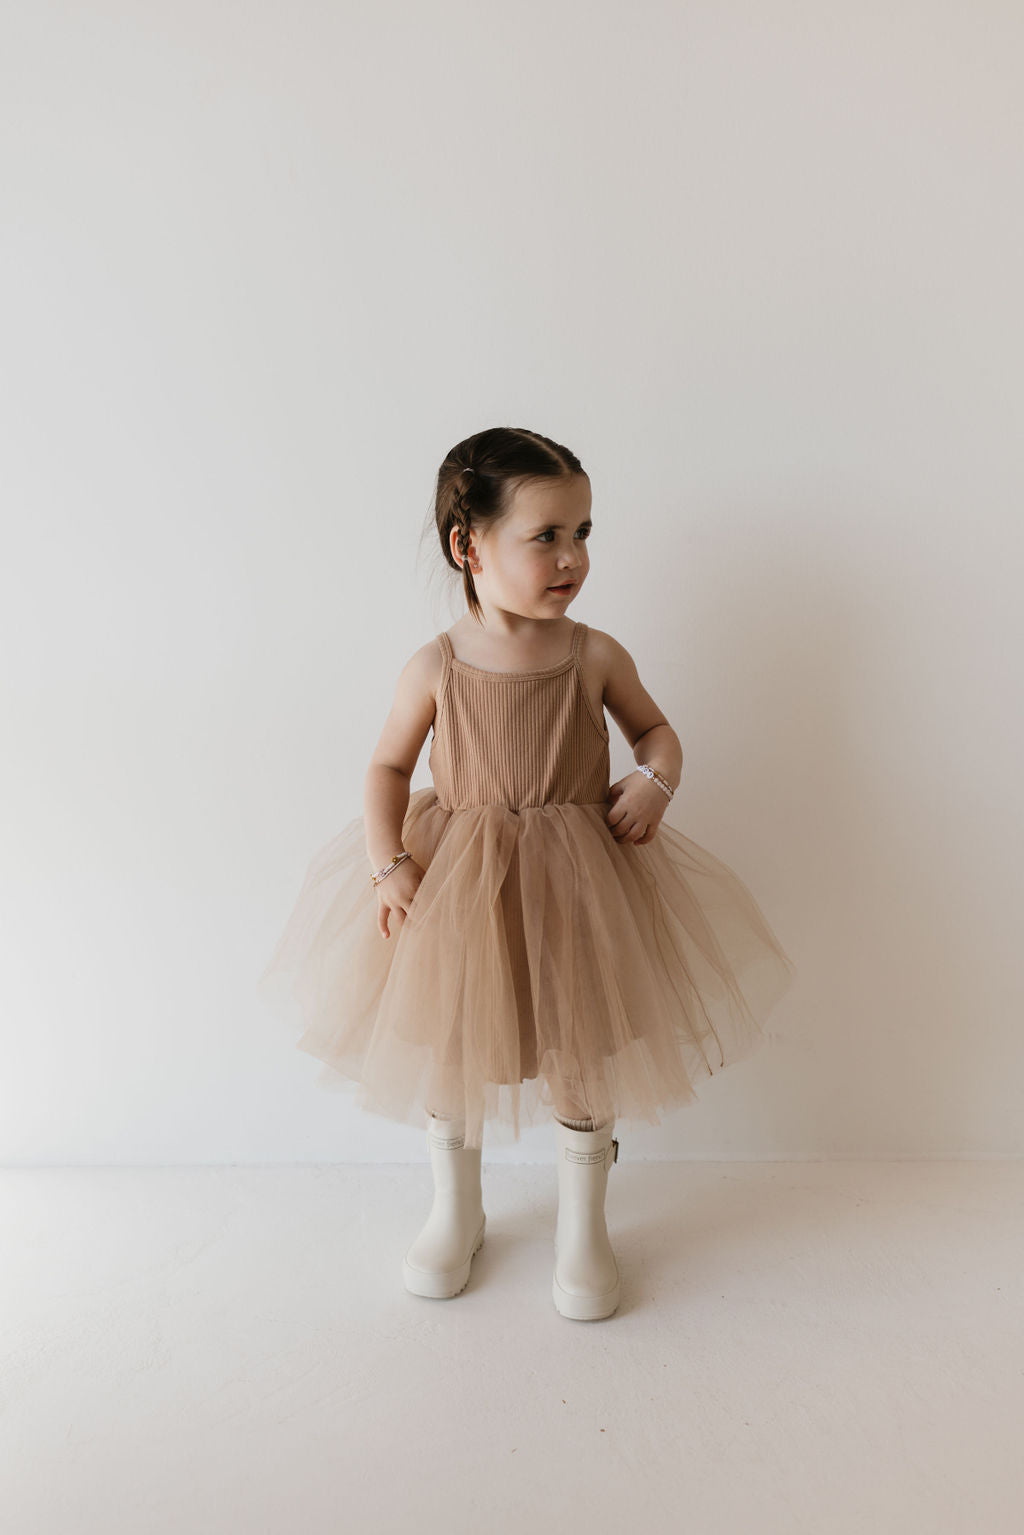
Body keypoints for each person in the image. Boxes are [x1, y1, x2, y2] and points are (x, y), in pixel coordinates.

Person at [258, 425, 796, 1320]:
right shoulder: (435, 665)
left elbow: (656, 732)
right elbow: (388, 768)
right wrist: (388, 861)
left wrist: (656, 780)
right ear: (468, 545)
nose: (572, 557)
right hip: (456, 885)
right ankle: (455, 1209)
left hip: (578, 884)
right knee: (455, 1041)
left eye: (583, 533)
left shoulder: (594, 654)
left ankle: (585, 1230)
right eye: (545, 535)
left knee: (580, 1049)